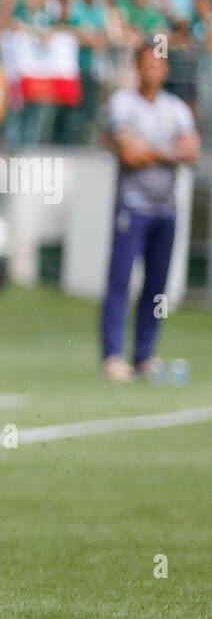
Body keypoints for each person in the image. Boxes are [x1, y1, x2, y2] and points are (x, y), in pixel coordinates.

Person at [100, 47, 200, 382]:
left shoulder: (177, 108)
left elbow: (192, 150)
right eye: (147, 65)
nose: (152, 71)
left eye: (158, 65)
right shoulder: (123, 103)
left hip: (166, 209)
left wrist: (153, 151)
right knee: (120, 282)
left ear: (165, 69)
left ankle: (144, 355)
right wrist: (169, 152)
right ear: (137, 67)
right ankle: (113, 355)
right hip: (133, 207)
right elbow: (129, 153)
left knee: (157, 287)